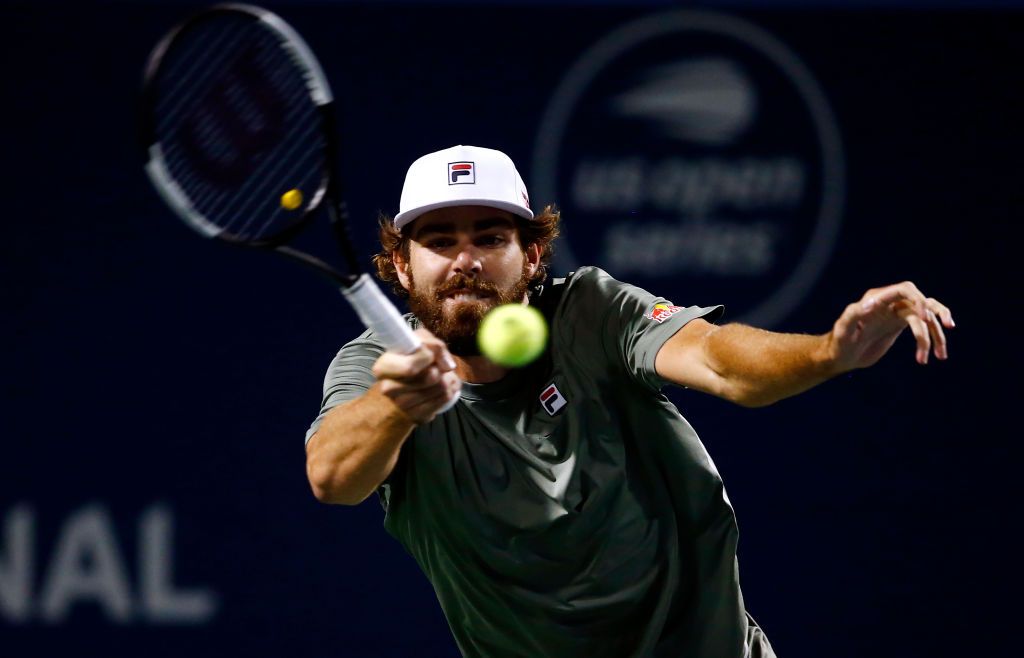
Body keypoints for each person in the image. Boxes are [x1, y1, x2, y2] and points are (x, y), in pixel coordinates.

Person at [303, 145, 954, 657]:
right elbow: (332, 479)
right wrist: (399, 406)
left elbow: (718, 359)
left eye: (490, 239)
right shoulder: (373, 368)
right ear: (401, 264)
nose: (465, 260)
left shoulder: (592, 311)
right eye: (440, 241)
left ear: (532, 256)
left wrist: (829, 352)